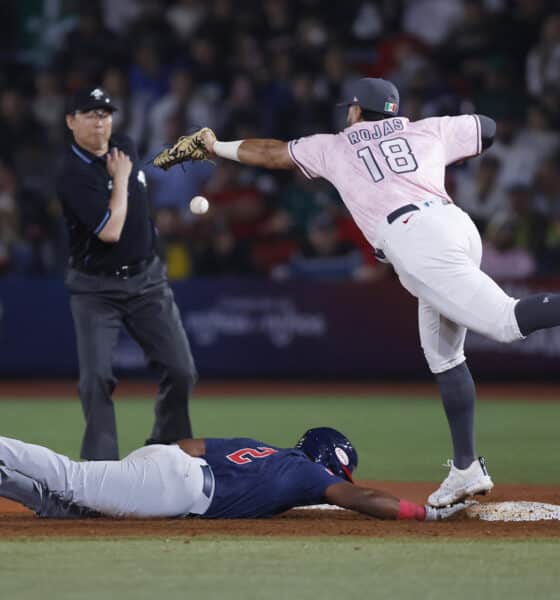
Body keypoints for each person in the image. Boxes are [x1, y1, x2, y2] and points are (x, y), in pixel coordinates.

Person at [159, 77, 560, 507]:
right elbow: (488, 127)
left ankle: (467, 468)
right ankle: (465, 469)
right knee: (444, 356)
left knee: (504, 321)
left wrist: (215, 146)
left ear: (355, 110)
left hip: (415, 238)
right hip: (456, 225)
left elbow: (272, 153)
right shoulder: (426, 130)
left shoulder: (336, 145)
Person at [56, 87, 197, 460]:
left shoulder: (125, 145)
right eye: (89, 113)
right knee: (96, 380)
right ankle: (102, 470)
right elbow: (110, 231)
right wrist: (121, 179)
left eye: (105, 113)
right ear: (71, 122)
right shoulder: (72, 173)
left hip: (147, 281)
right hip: (95, 290)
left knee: (181, 370)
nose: (100, 120)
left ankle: (168, 452)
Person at [0, 427, 466, 521]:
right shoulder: (306, 474)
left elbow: (188, 445)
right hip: (178, 490)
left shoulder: (261, 449)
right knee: (71, 479)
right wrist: (423, 514)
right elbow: (362, 498)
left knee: (67, 509)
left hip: (170, 463)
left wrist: (138, 472)